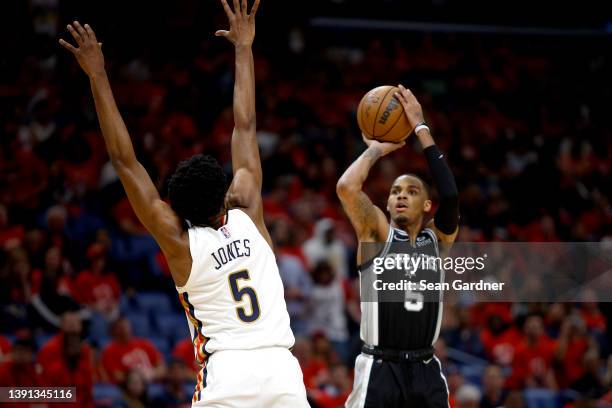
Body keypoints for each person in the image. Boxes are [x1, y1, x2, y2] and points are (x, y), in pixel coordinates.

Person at [58, 0, 308, 405]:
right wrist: (244, 49)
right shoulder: (248, 210)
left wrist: (98, 75)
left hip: (227, 374)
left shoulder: (180, 242)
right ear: (224, 192)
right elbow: (245, 125)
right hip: (283, 372)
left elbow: (125, 162)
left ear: (176, 207)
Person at [337, 86, 459, 407]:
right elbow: (347, 187)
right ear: (387, 205)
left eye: (411, 191)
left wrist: (420, 128)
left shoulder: (438, 241)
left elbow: (451, 195)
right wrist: (376, 150)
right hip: (380, 368)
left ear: (427, 205)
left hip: (425, 369)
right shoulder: (375, 234)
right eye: (394, 191)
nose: (401, 195)